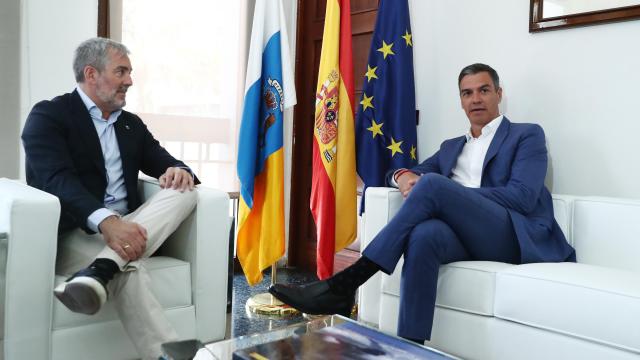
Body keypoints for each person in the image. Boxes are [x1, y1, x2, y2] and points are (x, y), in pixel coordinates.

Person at [269, 63, 576, 343]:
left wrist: (451, 195)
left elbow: (521, 197)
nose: (476, 99)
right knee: (424, 236)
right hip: (467, 237)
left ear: (499, 93)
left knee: (432, 186)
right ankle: (409, 347)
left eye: (484, 90)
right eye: (467, 93)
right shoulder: (452, 148)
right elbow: (408, 173)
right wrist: (401, 175)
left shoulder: (526, 135)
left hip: (511, 235)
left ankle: (346, 283)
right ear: (461, 101)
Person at [22, 37, 198, 359]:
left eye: (129, 73)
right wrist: (107, 221)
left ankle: (101, 268)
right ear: (91, 74)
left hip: (132, 227)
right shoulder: (49, 116)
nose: (129, 81)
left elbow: (164, 160)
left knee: (185, 192)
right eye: (121, 72)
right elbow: (55, 180)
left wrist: (178, 169)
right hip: (74, 233)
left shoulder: (130, 124)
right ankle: (168, 354)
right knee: (128, 269)